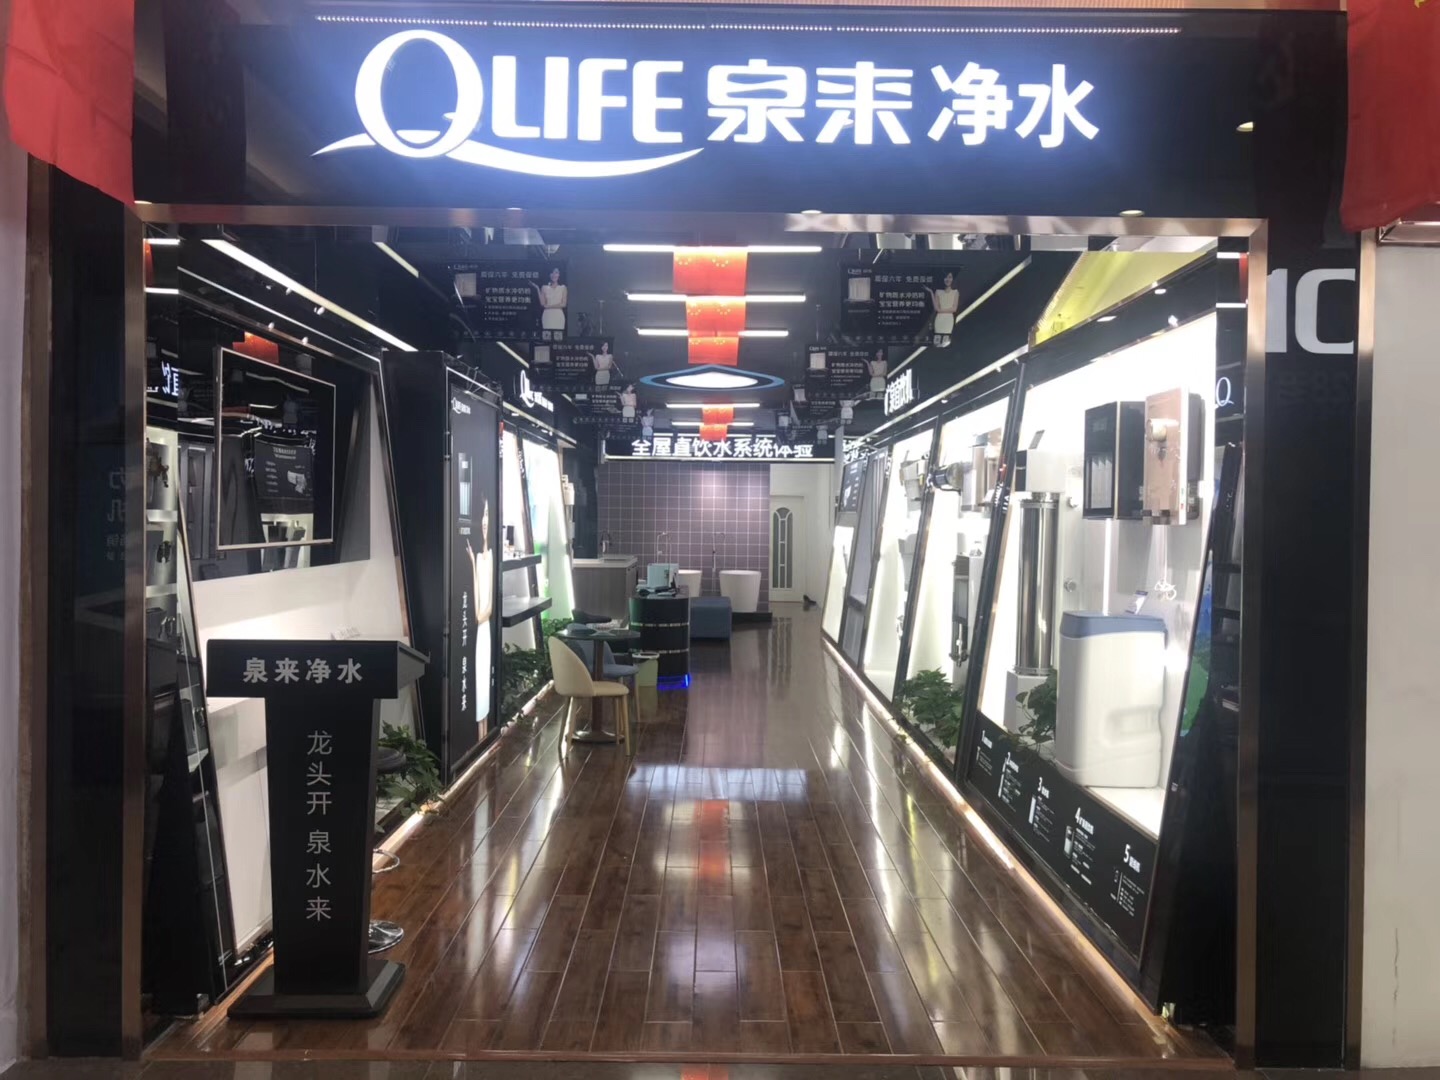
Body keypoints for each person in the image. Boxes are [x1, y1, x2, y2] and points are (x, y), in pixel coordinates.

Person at [469, 501, 494, 729]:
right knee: (480, 689)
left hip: (485, 630)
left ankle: (485, 739)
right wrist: (472, 564)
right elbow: (479, 611)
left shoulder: (491, 556)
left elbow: (488, 609)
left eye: (487, 514)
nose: (485, 520)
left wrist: (481, 614)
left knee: (484, 685)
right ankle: (482, 740)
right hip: (480, 631)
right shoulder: (477, 556)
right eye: (482, 514)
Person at [531, 267, 568, 339]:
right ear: (549, 275)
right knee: (547, 338)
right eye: (552, 273)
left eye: (556, 272)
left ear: (559, 274)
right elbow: (542, 303)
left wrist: (548, 306)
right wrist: (537, 289)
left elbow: (563, 304)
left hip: (558, 316)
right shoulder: (544, 287)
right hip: (547, 316)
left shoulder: (563, 288)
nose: (554, 275)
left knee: (558, 338)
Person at [927, 271, 960, 338]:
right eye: (946, 277)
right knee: (938, 338)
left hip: (949, 320)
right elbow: (936, 308)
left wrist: (940, 310)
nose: (948, 279)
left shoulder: (955, 292)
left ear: (952, 279)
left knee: (947, 339)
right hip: (939, 319)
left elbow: (954, 309)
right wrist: (931, 293)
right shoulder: (938, 292)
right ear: (942, 279)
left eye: (950, 277)